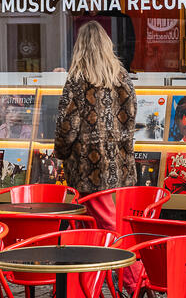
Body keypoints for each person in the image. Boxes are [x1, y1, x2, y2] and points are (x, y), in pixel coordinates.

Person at [54, 21, 138, 224]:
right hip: (120, 163)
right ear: (107, 45)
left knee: (104, 223)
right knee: (98, 220)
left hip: (89, 167)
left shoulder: (77, 80)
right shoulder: (123, 78)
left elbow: (68, 126)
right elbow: (131, 117)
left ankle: (119, 252)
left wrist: (61, 152)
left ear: (80, 47)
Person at [74, 0, 136, 71]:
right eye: (86, 3)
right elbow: (71, 52)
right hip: (85, 77)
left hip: (114, 77)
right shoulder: (79, 22)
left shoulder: (121, 21)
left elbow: (126, 55)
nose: (90, 7)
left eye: (93, 2)